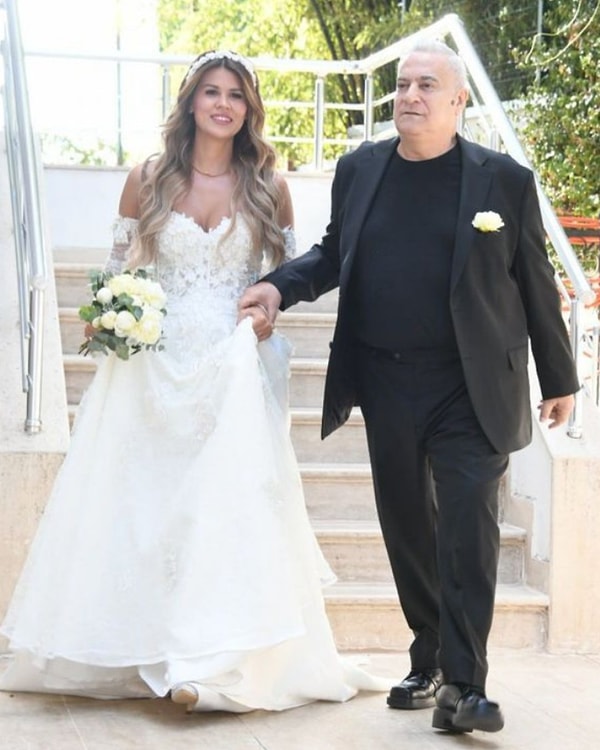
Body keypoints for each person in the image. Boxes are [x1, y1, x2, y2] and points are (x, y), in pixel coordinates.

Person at [0, 50, 389, 712]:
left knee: (222, 511)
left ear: (249, 109)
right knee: (148, 508)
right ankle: (145, 647)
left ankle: (209, 663)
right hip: (152, 365)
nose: (223, 104)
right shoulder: (148, 178)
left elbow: (287, 275)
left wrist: (267, 311)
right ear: (190, 102)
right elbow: (117, 270)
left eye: (235, 94)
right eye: (211, 91)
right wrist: (110, 315)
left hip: (232, 366)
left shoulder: (268, 185)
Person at [239, 39, 579, 733]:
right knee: (407, 527)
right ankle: (429, 657)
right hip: (386, 378)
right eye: (402, 85)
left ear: (458, 101)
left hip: (470, 384)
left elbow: (535, 281)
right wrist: (277, 287)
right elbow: (334, 253)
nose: (410, 96)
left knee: (468, 526)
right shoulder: (361, 169)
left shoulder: (502, 179)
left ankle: (466, 685)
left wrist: (559, 375)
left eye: (427, 85)